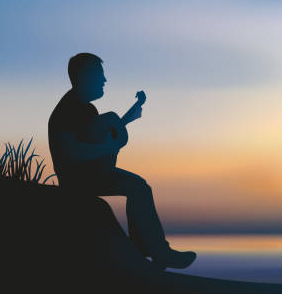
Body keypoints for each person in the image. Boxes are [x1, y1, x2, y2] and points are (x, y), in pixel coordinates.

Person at [48, 53, 196, 269]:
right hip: (78, 180)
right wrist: (106, 148)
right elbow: (71, 152)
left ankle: (148, 249)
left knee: (139, 187)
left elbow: (95, 136)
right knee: (138, 187)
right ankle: (154, 252)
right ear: (83, 76)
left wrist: (130, 115)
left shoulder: (88, 109)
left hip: (93, 174)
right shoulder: (66, 110)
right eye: (100, 74)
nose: (104, 80)